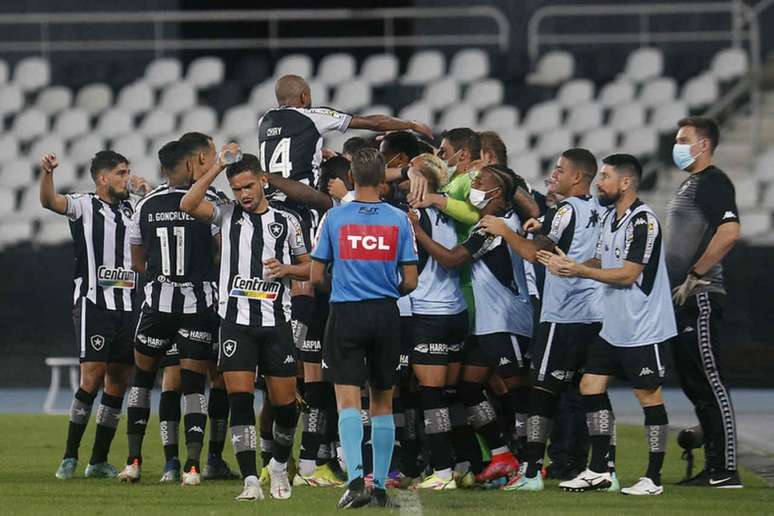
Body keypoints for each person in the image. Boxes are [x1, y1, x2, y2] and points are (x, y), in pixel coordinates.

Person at [538, 154, 676, 496]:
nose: (599, 182)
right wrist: (572, 264)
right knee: (590, 386)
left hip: (643, 327)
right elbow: (603, 260)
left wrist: (581, 271)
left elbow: (629, 274)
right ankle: (599, 469)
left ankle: (653, 478)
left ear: (625, 183)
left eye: (606, 177)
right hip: (613, 325)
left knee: (648, 395)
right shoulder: (611, 219)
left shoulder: (644, 222)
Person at [180, 151, 309, 501]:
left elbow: (312, 267)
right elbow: (188, 203)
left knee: (286, 407)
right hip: (235, 323)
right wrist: (218, 167)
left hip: (276, 323)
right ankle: (251, 480)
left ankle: (279, 464)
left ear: (263, 181)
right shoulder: (225, 214)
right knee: (239, 400)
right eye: (237, 189)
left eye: (249, 186)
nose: (244, 195)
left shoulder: (287, 221)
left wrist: (287, 270)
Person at [479, 148, 610, 491]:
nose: (555, 174)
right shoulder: (598, 209)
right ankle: (604, 469)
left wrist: (502, 230)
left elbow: (532, 252)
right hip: (595, 313)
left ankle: (532, 473)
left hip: (563, 314)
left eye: (560, 169)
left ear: (578, 177)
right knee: (592, 393)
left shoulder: (565, 210)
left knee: (542, 392)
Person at [310, 148, 418, 509]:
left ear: (353, 178)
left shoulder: (335, 218)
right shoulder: (399, 220)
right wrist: (385, 291)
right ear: (382, 179)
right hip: (386, 314)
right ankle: (382, 486)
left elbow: (315, 275)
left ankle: (356, 479)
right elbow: (411, 280)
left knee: (348, 401)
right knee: (383, 400)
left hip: (347, 312)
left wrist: (343, 286)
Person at [410, 165, 531, 485]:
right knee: (467, 388)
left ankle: (532, 464)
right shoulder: (486, 223)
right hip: (487, 324)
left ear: (498, 195)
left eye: (481, 183)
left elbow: (452, 259)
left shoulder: (495, 226)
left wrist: (418, 232)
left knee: (518, 396)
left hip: (508, 320)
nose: (474, 185)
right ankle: (502, 454)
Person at [119, 133, 223, 485]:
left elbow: (136, 262)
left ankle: (135, 462)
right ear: (192, 164)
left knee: (144, 379)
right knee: (194, 386)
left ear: (163, 169)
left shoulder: (144, 204)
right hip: (197, 305)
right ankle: (192, 468)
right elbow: (221, 253)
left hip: (158, 305)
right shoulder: (207, 202)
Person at [43, 151, 135, 480]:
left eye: (128, 172)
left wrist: (146, 188)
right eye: (121, 173)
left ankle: (98, 460)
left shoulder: (133, 209)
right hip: (95, 303)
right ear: (103, 178)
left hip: (129, 305)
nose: (127, 178)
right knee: (91, 378)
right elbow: (50, 202)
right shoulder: (83, 204)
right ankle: (69, 457)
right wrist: (48, 174)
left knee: (118, 383)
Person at [665, 117, 742, 488]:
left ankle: (726, 469)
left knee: (712, 382)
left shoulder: (713, 182)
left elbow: (729, 232)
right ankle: (713, 469)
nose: (677, 145)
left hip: (702, 296)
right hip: (682, 299)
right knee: (696, 386)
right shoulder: (689, 184)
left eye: (683, 139)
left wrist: (696, 275)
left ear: (703, 145)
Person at [404, 154, 468, 490]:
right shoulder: (448, 212)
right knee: (449, 394)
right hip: (455, 311)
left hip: (428, 311)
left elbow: (411, 266)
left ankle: (442, 472)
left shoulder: (416, 218)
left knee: (430, 396)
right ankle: (463, 462)